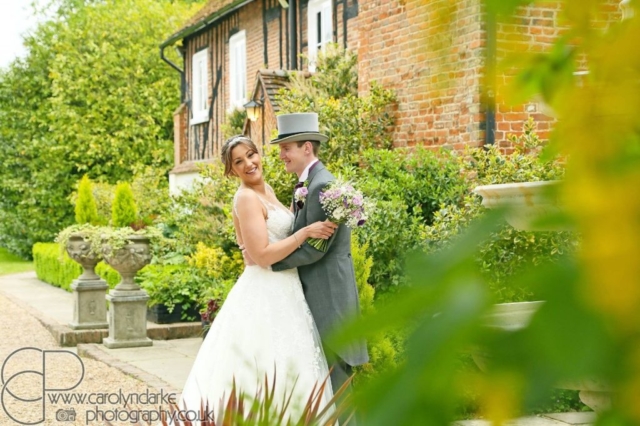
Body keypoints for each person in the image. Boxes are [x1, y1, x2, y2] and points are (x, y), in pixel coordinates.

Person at [176, 135, 338, 423]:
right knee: (264, 366)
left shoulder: (267, 190)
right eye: (239, 161)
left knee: (292, 364)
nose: (249, 163)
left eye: (251, 154)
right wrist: (305, 233)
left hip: (287, 289)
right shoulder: (247, 198)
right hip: (266, 291)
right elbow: (261, 255)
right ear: (231, 170)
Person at [269, 113, 369, 421]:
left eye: (287, 147)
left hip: (329, 297)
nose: (281, 154)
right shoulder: (308, 183)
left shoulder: (321, 186)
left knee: (337, 379)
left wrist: (270, 262)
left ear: (307, 148)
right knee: (329, 379)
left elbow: (316, 250)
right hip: (318, 294)